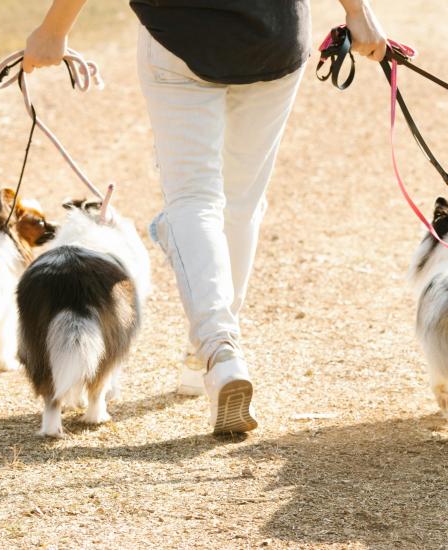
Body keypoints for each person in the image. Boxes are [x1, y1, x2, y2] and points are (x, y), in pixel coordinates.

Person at [23, 0, 387, 434]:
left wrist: (55, 28)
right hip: (273, 36)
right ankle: (210, 354)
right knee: (242, 203)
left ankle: (219, 349)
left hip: (180, 36)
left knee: (194, 201)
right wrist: (358, 11)